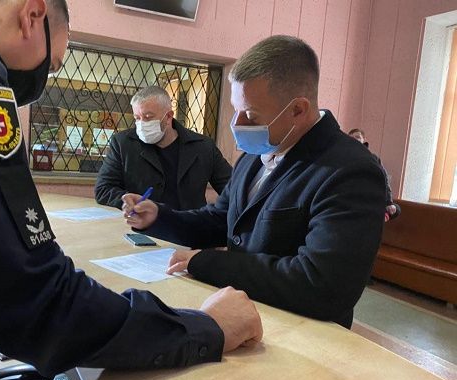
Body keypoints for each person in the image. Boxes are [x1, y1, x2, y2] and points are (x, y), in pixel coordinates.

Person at [0, 1, 262, 380]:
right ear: (32, 16)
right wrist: (203, 328)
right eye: (52, 65)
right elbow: (33, 297)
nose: (43, 78)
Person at [122, 35, 387, 330]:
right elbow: (221, 220)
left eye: (250, 114)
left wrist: (209, 263)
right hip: (244, 313)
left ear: (298, 110)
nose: (237, 124)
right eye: (236, 110)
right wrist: (159, 217)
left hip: (302, 331)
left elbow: (322, 285)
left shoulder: (350, 171)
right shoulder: (254, 155)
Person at [95, 86, 232, 210]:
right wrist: (129, 201)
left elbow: (233, 189)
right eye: (137, 118)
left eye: (148, 117)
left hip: (189, 225)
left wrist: (218, 212)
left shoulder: (203, 147)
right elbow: (103, 189)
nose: (142, 124)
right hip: (143, 224)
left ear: (168, 117)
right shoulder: (123, 143)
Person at [347, 128, 401, 221]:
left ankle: (382, 215)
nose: (355, 139)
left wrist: (389, 202)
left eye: (357, 137)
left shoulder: (374, 158)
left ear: (364, 140)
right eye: (352, 138)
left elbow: (384, 179)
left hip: (370, 198)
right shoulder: (344, 157)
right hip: (352, 199)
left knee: (396, 209)